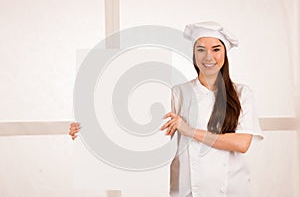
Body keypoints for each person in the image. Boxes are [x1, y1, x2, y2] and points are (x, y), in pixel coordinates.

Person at [69, 21, 263, 197]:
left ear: (224, 54)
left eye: (215, 49)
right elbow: (143, 132)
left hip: (232, 190)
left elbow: (241, 144)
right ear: (194, 55)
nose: (208, 57)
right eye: (201, 50)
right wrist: (89, 129)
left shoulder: (242, 93)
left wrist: (190, 131)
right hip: (186, 189)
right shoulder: (178, 92)